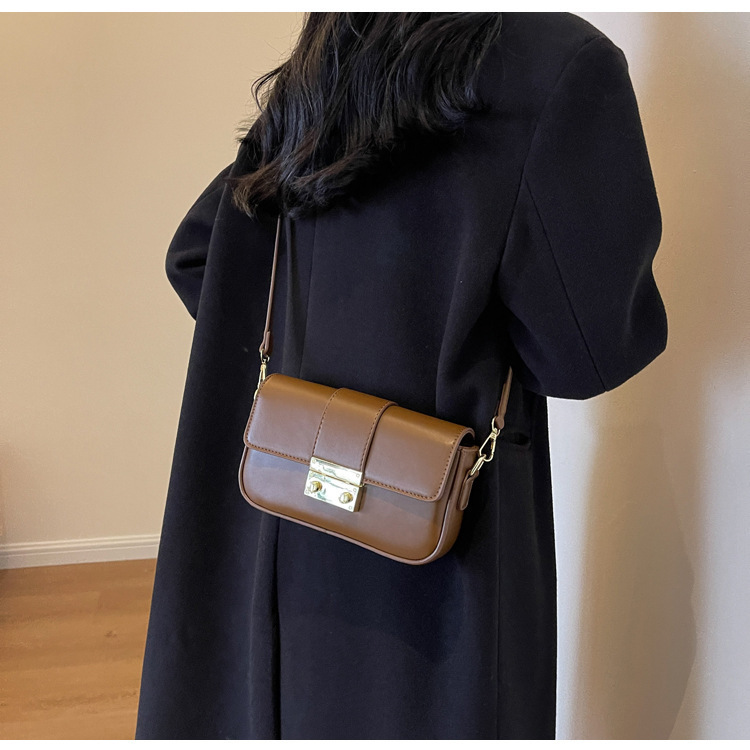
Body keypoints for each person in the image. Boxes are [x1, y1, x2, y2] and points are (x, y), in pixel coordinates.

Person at [135, 12, 668, 740]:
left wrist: (310, 368)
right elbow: (586, 351)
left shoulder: (334, 55)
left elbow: (198, 255)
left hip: (274, 511)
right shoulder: (560, 65)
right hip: (434, 564)